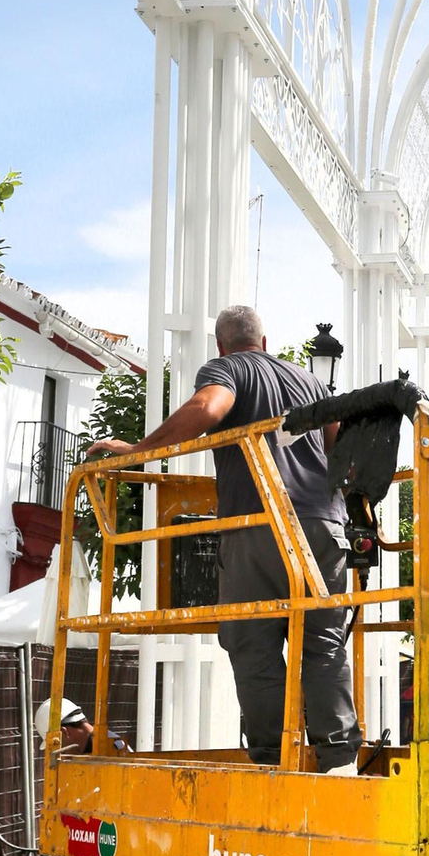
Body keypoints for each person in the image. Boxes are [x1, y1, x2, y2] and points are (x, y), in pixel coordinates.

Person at [85, 304, 359, 774]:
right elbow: (341, 452)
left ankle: (276, 760)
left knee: (252, 640)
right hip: (323, 526)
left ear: (221, 345)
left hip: (259, 523)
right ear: (266, 342)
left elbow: (209, 406)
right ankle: (339, 759)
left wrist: (138, 452)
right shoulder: (311, 382)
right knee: (323, 642)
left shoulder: (227, 368)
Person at [34, 698, 129, 856]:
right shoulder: (92, 747)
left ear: (64, 733)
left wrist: (94, 848)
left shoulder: (108, 747)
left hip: (118, 846)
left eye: (57, 744)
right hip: (107, 844)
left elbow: (112, 806)